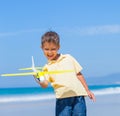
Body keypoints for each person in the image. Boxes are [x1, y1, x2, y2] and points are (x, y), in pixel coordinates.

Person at [34, 31, 96, 116]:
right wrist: (38, 77)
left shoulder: (68, 58)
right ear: (42, 48)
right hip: (62, 99)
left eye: (53, 49)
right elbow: (44, 84)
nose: (50, 52)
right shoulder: (46, 68)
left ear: (58, 47)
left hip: (78, 96)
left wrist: (87, 90)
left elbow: (79, 74)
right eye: (46, 49)